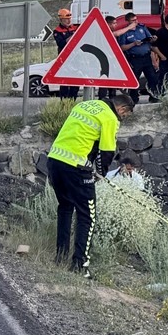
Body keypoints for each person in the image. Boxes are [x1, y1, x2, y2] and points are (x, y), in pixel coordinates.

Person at [46, 94, 134, 276]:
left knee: (65, 207)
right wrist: (101, 174)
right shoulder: (110, 117)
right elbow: (106, 151)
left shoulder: (86, 105)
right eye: (125, 116)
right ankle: (80, 265)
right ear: (122, 109)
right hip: (76, 168)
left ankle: (60, 257)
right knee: (87, 216)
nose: (123, 119)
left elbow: (82, 138)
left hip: (55, 160)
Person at [116, 12, 160, 104]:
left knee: (152, 77)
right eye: (133, 21)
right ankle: (134, 99)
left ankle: (154, 96)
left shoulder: (142, 27)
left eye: (136, 20)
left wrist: (153, 39)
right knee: (135, 79)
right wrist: (133, 44)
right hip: (135, 58)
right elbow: (122, 47)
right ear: (128, 21)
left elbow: (149, 39)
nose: (135, 22)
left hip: (146, 57)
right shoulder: (125, 32)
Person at [53, 8, 80, 99]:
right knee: (64, 84)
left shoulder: (75, 27)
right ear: (61, 20)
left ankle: (73, 101)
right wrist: (74, 35)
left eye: (69, 18)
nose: (68, 21)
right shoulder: (57, 31)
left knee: (75, 85)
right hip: (64, 61)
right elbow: (61, 44)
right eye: (66, 19)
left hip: (76, 60)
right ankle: (64, 104)